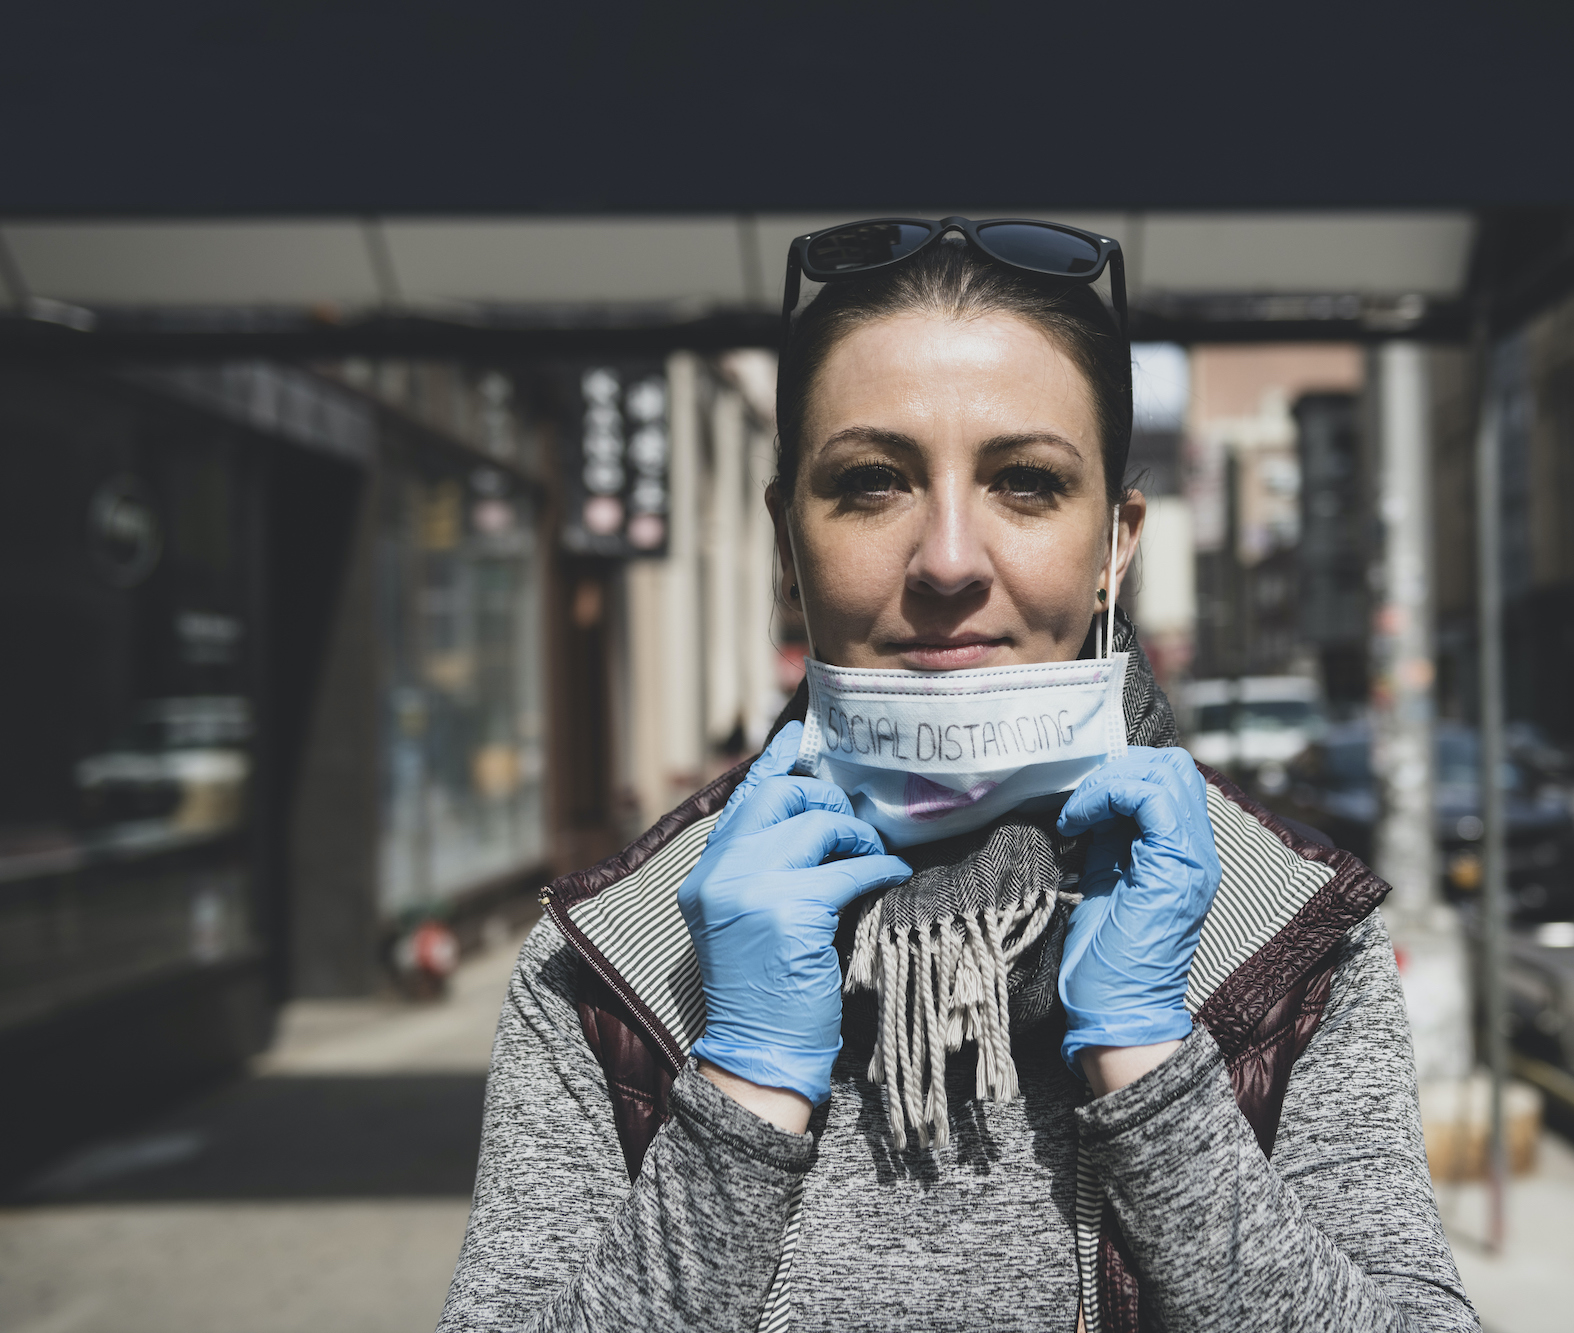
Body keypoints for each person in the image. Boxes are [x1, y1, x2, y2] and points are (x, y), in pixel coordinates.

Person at [439, 218, 1479, 1333]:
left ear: (1114, 545)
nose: (945, 559)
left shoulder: (1289, 936)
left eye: (1025, 483)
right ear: (786, 539)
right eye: (871, 482)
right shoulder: (605, 961)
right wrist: (739, 1098)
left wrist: (1151, 1066)